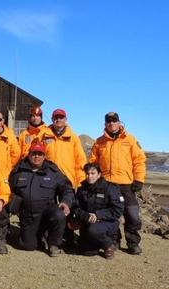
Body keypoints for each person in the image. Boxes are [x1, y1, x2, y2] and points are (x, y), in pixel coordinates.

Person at [89, 112, 146, 255]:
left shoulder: (130, 139)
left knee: (132, 214)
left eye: (114, 121)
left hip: (126, 185)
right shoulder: (99, 142)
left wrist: (139, 179)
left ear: (120, 122)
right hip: (107, 185)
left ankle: (133, 242)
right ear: (105, 124)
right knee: (110, 215)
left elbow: (139, 161)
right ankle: (114, 240)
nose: (111, 123)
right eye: (108, 121)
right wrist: (94, 180)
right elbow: (93, 163)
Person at [9, 143, 74, 257]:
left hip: (47, 213)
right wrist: (15, 207)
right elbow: (9, 189)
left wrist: (66, 202)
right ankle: (38, 236)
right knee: (28, 246)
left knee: (59, 214)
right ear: (29, 155)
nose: (37, 157)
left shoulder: (53, 171)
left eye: (40, 154)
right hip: (29, 216)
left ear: (44, 156)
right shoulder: (18, 170)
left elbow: (67, 188)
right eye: (34, 154)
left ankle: (54, 244)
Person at [72, 163, 124, 259]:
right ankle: (96, 242)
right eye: (87, 173)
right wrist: (84, 216)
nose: (89, 176)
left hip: (107, 223)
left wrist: (98, 215)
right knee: (87, 251)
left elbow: (118, 209)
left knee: (94, 230)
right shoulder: (82, 189)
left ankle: (109, 244)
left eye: (93, 173)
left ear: (99, 174)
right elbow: (76, 207)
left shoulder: (110, 188)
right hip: (88, 222)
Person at [40, 109, 87, 189]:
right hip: (48, 180)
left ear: (65, 119)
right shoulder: (43, 136)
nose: (58, 120)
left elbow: (80, 161)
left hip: (67, 180)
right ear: (52, 119)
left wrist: (81, 182)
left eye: (61, 117)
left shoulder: (73, 138)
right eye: (56, 117)